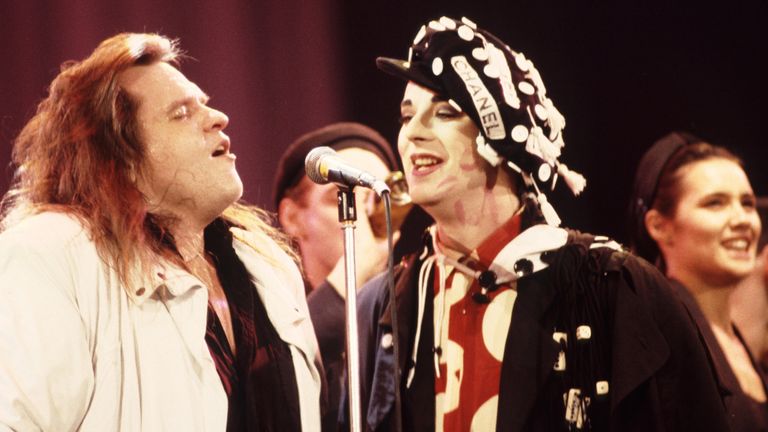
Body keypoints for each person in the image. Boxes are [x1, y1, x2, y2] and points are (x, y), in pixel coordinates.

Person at [351, 16, 730, 431]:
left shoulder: (612, 287)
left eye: (445, 112)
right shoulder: (388, 305)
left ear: (502, 140)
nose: (412, 135)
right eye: (407, 116)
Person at [0, 33, 321, 431]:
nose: (218, 117)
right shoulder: (52, 255)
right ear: (120, 159)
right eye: (181, 113)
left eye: (204, 104)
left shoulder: (270, 268)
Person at [628, 131, 768, 430]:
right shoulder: (657, 341)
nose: (742, 219)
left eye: (747, 203)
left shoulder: (738, 343)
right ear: (659, 226)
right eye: (715, 203)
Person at [273, 122, 402, 431]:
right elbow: (274, 378)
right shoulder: (265, 309)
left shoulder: (416, 304)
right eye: (339, 198)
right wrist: (349, 279)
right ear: (292, 217)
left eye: (374, 198)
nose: (363, 215)